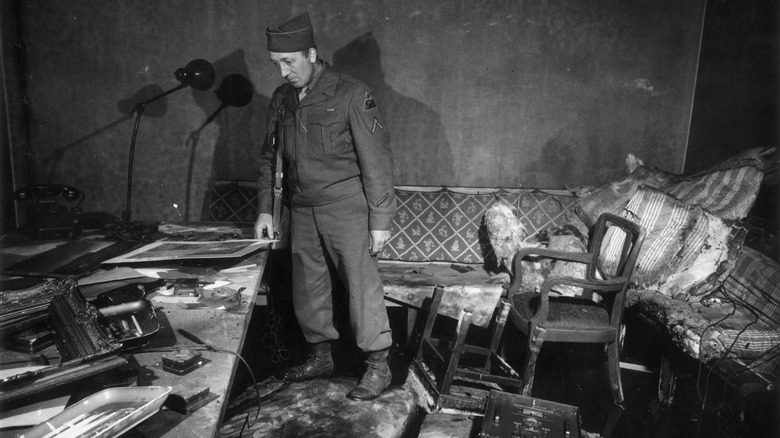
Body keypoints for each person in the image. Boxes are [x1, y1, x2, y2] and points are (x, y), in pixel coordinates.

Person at [255, 12, 396, 401]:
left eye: (290, 62)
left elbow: (377, 162)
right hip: (301, 209)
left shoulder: (351, 94)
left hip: (346, 208)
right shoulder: (282, 100)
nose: (283, 72)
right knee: (308, 288)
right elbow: (270, 158)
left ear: (312, 54)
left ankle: (378, 367)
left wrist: (380, 220)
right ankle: (321, 357)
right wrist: (266, 210)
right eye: (276, 64)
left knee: (361, 289)